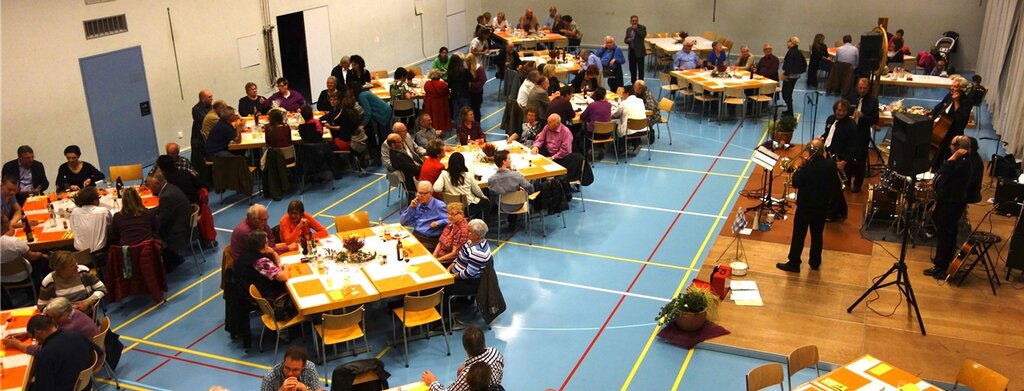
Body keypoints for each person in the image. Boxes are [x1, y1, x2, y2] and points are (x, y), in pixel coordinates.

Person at [776, 139, 840, 273]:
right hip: (822, 206)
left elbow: (796, 182)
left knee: (799, 235)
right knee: (817, 235)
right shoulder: (830, 164)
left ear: (811, 151)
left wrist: (799, 167)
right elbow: (835, 185)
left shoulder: (808, 167)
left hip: (805, 206)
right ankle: (815, 262)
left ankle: (794, 263)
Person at [924, 135, 973, 280]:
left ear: (958, 148)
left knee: (946, 234)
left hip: (952, 203)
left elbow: (945, 170)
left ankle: (941, 267)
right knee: (945, 233)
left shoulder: (962, 162)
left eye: (952, 145)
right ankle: (941, 261)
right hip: (948, 201)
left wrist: (953, 157)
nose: (949, 147)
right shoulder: (961, 161)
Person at [22, 314, 101, 391]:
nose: (35, 340)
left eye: (33, 337)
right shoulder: (75, 335)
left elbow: (44, 388)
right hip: (86, 384)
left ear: (37, 332)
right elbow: (98, 353)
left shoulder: (45, 355)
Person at [3, 297, 99, 355]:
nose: (51, 321)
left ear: (65, 312)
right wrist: (29, 334)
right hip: (88, 350)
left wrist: (19, 345)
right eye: (48, 316)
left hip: (87, 359)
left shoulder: (69, 329)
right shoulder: (72, 313)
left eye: (54, 317)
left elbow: (45, 351)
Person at [422, 325, 505, 391]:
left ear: (465, 349)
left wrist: (432, 382)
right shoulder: (495, 353)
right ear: (483, 342)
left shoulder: (469, 374)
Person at [820, 99, 858, 220]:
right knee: (833, 185)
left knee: (836, 188)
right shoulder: (831, 119)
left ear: (847, 111)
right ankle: (842, 211)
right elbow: (828, 133)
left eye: (843, 111)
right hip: (830, 157)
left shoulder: (851, 125)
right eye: (838, 110)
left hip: (842, 160)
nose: (840, 113)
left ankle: (832, 214)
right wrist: (821, 138)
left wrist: (845, 161)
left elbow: (853, 146)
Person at [147, 172, 191, 269]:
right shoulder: (170, 188)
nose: (149, 187)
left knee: (151, 233)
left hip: (178, 231)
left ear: (158, 184)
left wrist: (146, 221)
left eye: (149, 184)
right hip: (183, 222)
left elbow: (160, 221)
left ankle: (170, 260)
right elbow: (162, 208)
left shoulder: (166, 196)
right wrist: (148, 212)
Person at [38, 250, 107, 312]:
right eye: (72, 266)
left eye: (75, 263)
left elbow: (102, 288)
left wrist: (88, 302)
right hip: (63, 321)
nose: (77, 267)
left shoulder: (83, 271)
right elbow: (42, 306)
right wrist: (58, 312)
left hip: (87, 314)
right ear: (60, 270)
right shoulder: (49, 281)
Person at [929, 75, 973, 169]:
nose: (952, 88)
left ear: (962, 89)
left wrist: (956, 102)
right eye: (952, 85)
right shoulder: (950, 95)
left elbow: (960, 122)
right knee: (935, 157)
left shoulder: (966, 102)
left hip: (953, 134)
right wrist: (931, 115)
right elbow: (940, 106)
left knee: (946, 159)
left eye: (955, 86)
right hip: (941, 129)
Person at [236, 230, 290, 303]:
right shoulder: (261, 261)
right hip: (269, 295)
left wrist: (272, 252)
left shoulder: (250, 252)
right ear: (263, 244)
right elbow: (283, 277)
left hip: (257, 287)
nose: (268, 244)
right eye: (267, 242)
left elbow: (278, 261)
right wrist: (286, 268)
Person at [846, 78, 879, 193]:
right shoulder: (850, 97)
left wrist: (863, 116)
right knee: (847, 158)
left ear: (868, 88)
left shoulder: (873, 101)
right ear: (857, 87)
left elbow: (875, 119)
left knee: (860, 160)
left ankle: (857, 184)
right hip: (849, 133)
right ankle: (846, 181)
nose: (862, 90)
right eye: (860, 87)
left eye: (864, 88)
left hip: (862, 133)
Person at [433, 152, 490, 219]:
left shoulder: (444, 174)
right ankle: (476, 221)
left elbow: (436, 188)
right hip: (466, 208)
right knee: (486, 203)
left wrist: (445, 190)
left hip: (450, 206)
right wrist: (484, 197)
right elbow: (477, 191)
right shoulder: (468, 175)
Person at [1, 214, 49, 291]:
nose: (9, 223)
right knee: (41, 257)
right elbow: (31, 256)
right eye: (7, 222)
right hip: (22, 275)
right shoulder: (14, 242)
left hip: (2, 277)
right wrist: (41, 254)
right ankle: (41, 288)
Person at [487, 151, 534, 228]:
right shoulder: (516, 175)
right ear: (504, 162)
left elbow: (492, 194)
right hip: (518, 205)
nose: (511, 160)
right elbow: (531, 189)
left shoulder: (491, 180)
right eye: (509, 159)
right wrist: (522, 193)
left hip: (501, 206)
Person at [445, 219, 491, 297]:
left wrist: (452, 276)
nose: (466, 233)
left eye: (469, 231)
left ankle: (443, 308)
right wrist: (449, 268)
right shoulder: (471, 242)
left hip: (468, 282)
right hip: (456, 273)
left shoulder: (478, 252)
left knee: (441, 286)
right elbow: (459, 257)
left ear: (477, 235)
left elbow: (469, 273)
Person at [324, 93, 371, 169]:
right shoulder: (355, 112)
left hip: (346, 141)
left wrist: (330, 126)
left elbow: (335, 121)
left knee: (326, 145)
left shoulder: (344, 113)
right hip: (355, 140)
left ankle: (336, 167)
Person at [400, 181, 449, 251]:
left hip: (429, 240)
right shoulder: (417, 204)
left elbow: (450, 220)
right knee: (400, 247)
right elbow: (403, 222)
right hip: (416, 235)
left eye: (423, 193)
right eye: (419, 193)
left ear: (430, 194)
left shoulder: (439, 206)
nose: (420, 196)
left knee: (412, 252)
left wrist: (439, 223)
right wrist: (411, 208)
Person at [69, 187, 110, 259]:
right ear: (94, 201)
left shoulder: (74, 212)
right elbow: (110, 225)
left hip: (79, 256)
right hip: (100, 255)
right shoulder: (103, 211)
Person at [355, 79, 395, 154]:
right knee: (382, 134)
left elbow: (368, 112)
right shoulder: (365, 93)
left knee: (384, 136)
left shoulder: (361, 96)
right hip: (385, 110)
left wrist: (362, 125)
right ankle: (384, 152)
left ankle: (388, 153)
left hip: (383, 113)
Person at [612, 85, 647, 154]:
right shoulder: (641, 101)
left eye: (623, 93)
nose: (622, 95)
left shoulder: (624, 103)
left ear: (627, 93)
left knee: (617, 123)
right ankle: (636, 143)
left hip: (630, 131)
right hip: (643, 129)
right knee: (633, 123)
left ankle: (621, 147)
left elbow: (616, 115)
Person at [781, 36, 806, 115]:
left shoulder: (791, 52)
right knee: (789, 93)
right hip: (795, 76)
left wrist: (785, 74)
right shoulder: (798, 52)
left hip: (790, 76)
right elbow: (804, 64)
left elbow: (789, 65)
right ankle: (789, 110)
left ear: (792, 43)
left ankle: (790, 112)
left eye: (789, 41)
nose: (787, 42)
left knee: (786, 94)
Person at [624, 15, 647, 84]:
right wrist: (628, 40)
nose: (635, 22)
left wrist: (636, 29)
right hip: (631, 51)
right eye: (633, 21)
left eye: (636, 21)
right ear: (630, 22)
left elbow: (643, 36)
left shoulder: (642, 28)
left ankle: (641, 84)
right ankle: (633, 83)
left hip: (640, 52)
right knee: (632, 69)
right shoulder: (628, 29)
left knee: (640, 69)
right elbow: (625, 40)